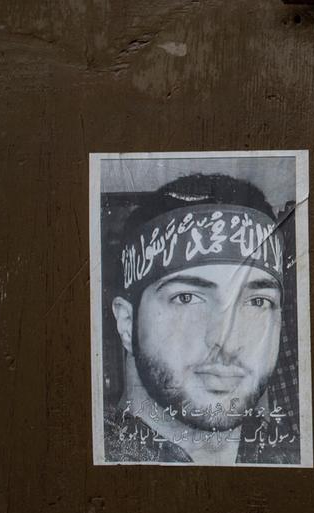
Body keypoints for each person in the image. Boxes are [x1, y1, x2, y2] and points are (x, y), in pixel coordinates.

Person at [104, 173, 300, 464]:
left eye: (258, 301)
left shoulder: (296, 454)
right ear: (126, 323)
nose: (228, 342)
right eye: (187, 298)